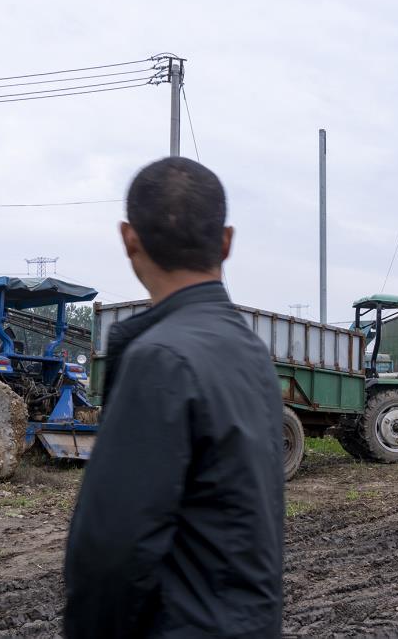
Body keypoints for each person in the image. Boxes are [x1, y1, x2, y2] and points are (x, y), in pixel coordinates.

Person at [64, 157, 284, 638]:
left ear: (129, 239)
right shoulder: (253, 355)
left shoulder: (159, 360)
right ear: (226, 243)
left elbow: (111, 551)